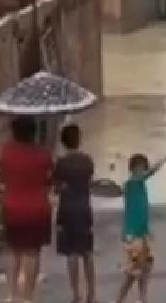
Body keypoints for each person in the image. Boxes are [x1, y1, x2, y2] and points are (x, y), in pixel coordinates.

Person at [0, 116, 53, 303]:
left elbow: (3, 175)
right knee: (32, 252)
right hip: (37, 208)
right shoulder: (43, 154)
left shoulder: (6, 152)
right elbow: (49, 177)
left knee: (13, 250)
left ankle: (12, 294)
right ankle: (27, 296)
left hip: (12, 206)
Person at [116, 150, 166, 303]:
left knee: (147, 266)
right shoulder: (132, 183)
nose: (144, 171)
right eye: (142, 167)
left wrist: (147, 232)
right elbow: (151, 172)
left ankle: (143, 298)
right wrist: (165, 158)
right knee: (133, 271)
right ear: (136, 168)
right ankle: (119, 299)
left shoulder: (138, 184)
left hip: (142, 233)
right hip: (132, 235)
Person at [55, 124, 96, 303]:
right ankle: (92, 294)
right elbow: (90, 181)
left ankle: (75, 294)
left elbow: (56, 187)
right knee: (87, 252)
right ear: (79, 139)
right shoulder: (87, 161)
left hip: (67, 209)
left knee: (71, 253)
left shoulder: (61, 163)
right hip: (84, 208)